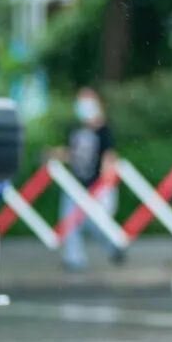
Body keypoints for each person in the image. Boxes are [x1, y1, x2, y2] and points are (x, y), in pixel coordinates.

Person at [53, 88, 122, 271]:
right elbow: (74, 154)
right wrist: (54, 155)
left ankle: (114, 246)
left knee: (96, 224)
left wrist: (104, 186)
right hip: (76, 186)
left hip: (97, 186)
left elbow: (109, 158)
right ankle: (74, 260)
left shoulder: (104, 131)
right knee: (69, 222)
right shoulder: (75, 130)